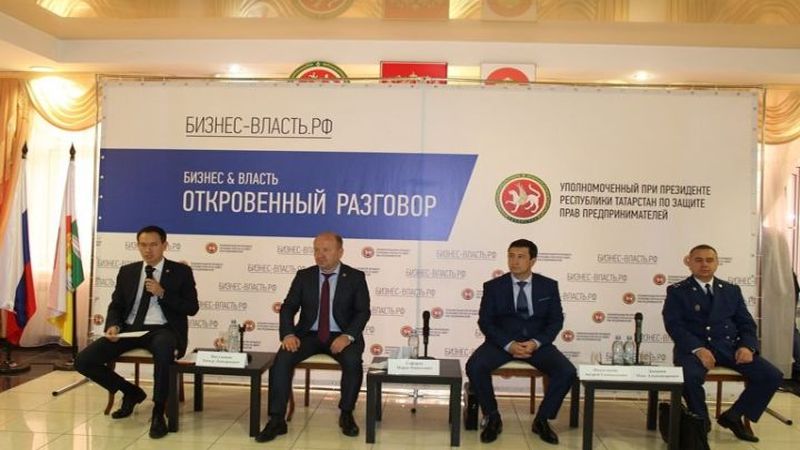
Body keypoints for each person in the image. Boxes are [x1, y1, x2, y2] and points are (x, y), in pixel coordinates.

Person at [75, 225, 199, 439]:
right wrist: (113, 325)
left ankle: (158, 411)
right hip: (130, 329)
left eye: (153, 245)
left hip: (163, 329)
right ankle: (131, 392)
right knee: (83, 361)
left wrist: (163, 293)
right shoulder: (128, 271)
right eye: (143, 245)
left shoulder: (181, 272)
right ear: (138, 246)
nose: (148, 250)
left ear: (164, 245)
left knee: (164, 349)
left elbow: (191, 308)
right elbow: (116, 305)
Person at [256, 231, 371, 443]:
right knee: (282, 360)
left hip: (341, 335)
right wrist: (288, 333)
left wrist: (348, 336)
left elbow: (363, 311)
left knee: (353, 361)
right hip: (307, 335)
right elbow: (288, 307)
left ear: (340, 252)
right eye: (316, 250)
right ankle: (277, 419)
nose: (320, 255)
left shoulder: (355, 277)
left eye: (326, 250)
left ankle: (346, 414)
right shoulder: (304, 276)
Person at [662, 244, 783, 442]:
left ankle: (734, 416)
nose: (704, 264)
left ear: (717, 263)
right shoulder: (678, 291)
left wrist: (747, 346)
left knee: (771, 375)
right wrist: (698, 349)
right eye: (698, 260)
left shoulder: (731, 290)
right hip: (694, 350)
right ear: (689, 263)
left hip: (729, 348)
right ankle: (701, 423)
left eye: (709, 260)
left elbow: (746, 323)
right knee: (689, 377)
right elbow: (674, 325)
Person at [466, 239, 576, 445]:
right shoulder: (493, 287)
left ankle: (542, 420)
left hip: (537, 344)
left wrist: (536, 342)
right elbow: (485, 322)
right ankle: (492, 417)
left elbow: (556, 321)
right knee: (475, 366)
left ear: (532, 260)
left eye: (520, 257)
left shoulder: (548, 286)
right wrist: (508, 344)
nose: (514, 261)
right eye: (511, 256)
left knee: (566, 371)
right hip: (502, 343)